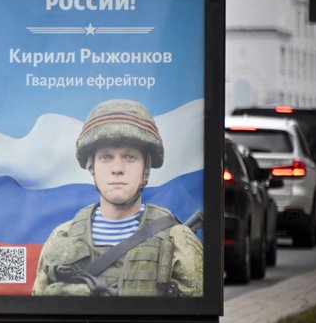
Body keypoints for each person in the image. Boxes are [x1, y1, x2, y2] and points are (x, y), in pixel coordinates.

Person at [32, 99, 203, 297]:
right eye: (106, 157)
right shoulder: (62, 236)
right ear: (92, 167)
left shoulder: (176, 239)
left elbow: (196, 313)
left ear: (145, 169)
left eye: (130, 157)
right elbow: (38, 309)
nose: (118, 169)